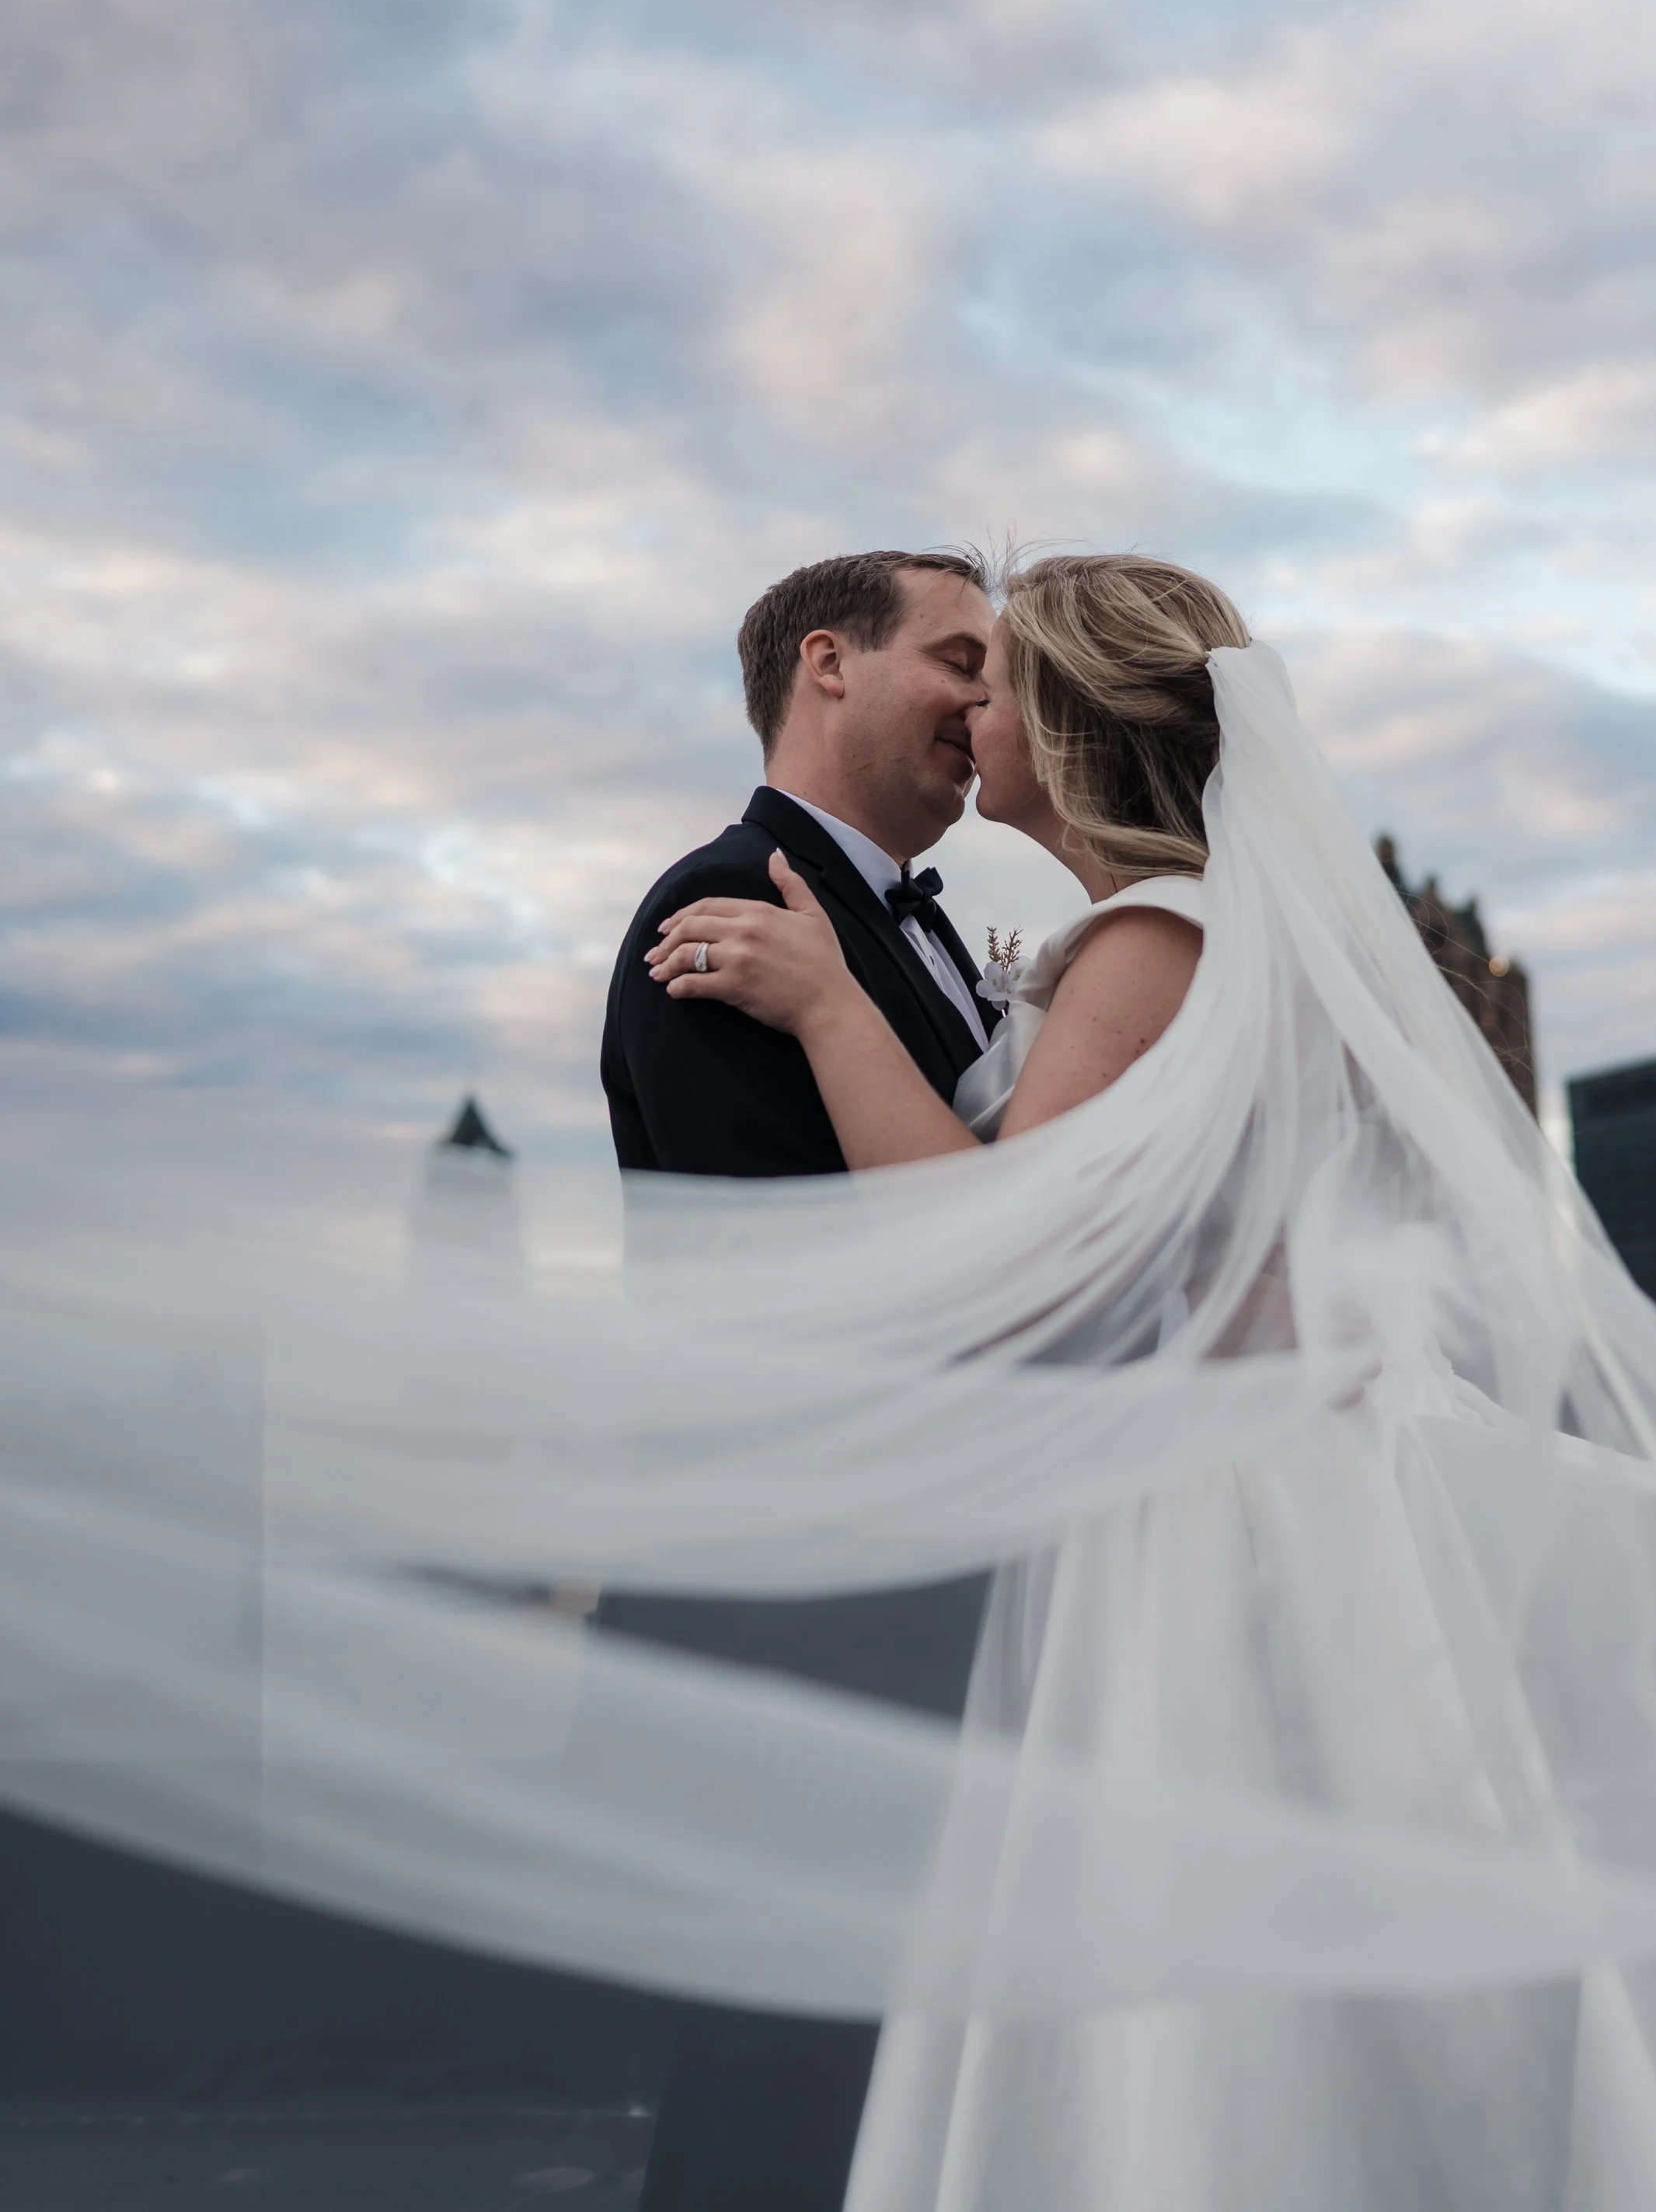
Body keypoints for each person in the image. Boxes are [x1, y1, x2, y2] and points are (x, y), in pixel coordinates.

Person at [648, 550, 1656, 2212]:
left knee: (1216, 2010)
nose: (972, 705)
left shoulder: (1150, 946)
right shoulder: (1205, 936)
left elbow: (1011, 1258)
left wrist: (821, 1007)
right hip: (1312, 1477)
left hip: (1230, 1514)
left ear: (1072, 723)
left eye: (995, 676)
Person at [598, 546, 1002, 2212]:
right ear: (825, 664)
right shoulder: (725, 907)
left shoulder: (910, 934)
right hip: (811, 1599)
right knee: (779, 2093)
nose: (992, 704)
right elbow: (781, 1290)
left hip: (913, 1585)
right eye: (960, 660)